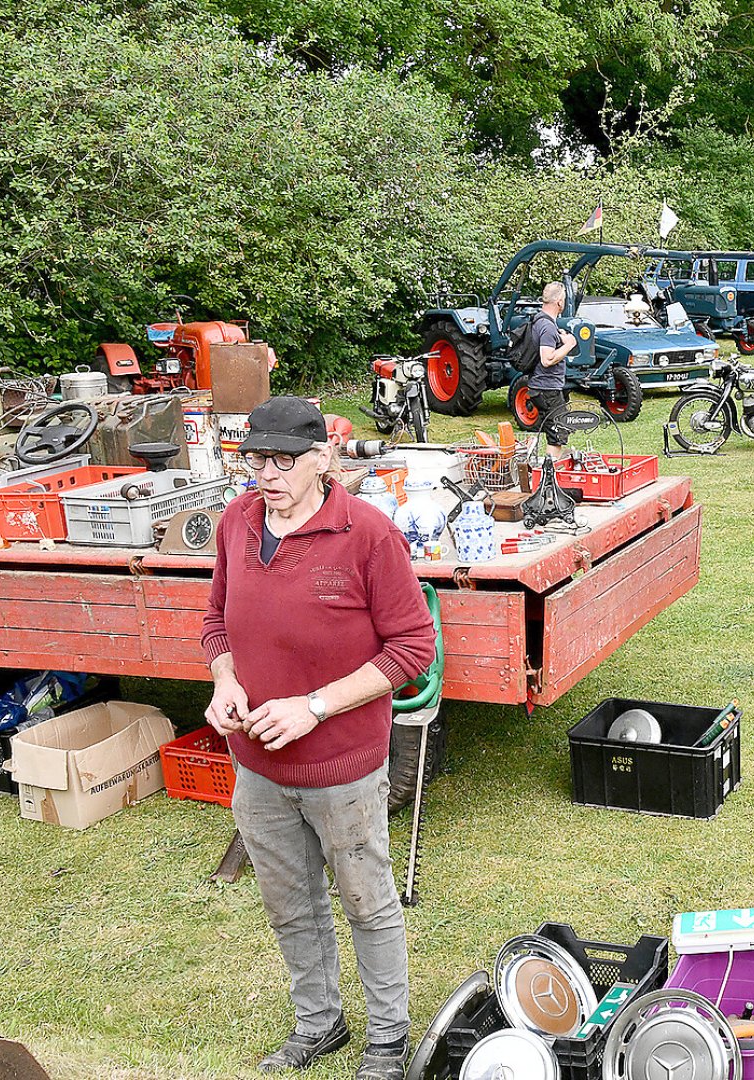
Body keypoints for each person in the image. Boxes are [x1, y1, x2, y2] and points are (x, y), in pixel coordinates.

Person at [202, 396, 436, 1080]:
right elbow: (216, 620)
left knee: (366, 900)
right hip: (257, 765)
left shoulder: (366, 534)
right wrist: (224, 681)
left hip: (341, 766)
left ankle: (389, 1037)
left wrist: (315, 706)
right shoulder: (236, 522)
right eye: (255, 460)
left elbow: (411, 645)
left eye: (281, 461)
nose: (266, 475)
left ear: (322, 459)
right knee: (288, 902)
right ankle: (320, 1022)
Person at [528, 281, 577, 453]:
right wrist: (569, 344)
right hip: (547, 388)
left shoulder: (541, 321)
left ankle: (548, 467)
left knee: (554, 430)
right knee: (557, 435)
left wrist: (560, 337)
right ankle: (549, 476)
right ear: (559, 302)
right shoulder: (547, 326)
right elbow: (547, 359)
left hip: (540, 386)